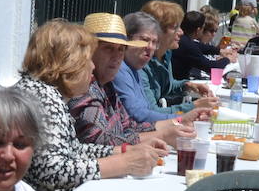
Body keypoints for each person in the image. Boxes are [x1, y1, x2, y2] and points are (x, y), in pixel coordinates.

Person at [12, 19, 160, 191]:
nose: (92, 66)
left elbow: (73, 150)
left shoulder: (45, 93)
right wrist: (121, 163)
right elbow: (53, 171)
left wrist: (123, 152)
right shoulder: (45, 100)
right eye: (86, 59)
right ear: (67, 62)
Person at [69, 13, 194, 149]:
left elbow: (129, 125)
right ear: (89, 51)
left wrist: (179, 121)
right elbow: (98, 140)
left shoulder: (106, 85)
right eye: (109, 48)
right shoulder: (84, 87)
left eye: (121, 49)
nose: (117, 57)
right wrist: (163, 134)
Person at [115, 12, 215, 123]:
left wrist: (187, 86)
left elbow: (165, 88)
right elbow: (139, 115)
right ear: (127, 39)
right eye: (144, 40)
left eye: (154, 42)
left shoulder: (136, 66)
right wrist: (185, 115)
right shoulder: (121, 70)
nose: (150, 47)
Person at [171, 9, 230, 80]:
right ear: (198, 30)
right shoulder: (188, 45)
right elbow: (210, 67)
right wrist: (227, 59)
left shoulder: (184, 40)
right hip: (179, 84)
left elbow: (200, 46)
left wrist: (219, 50)